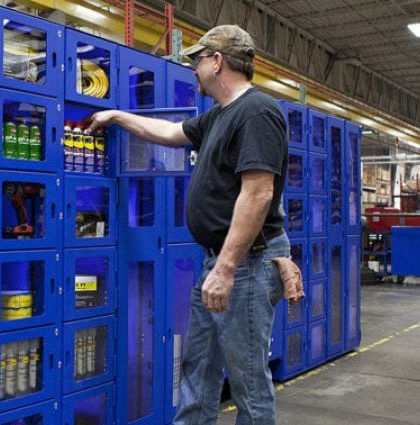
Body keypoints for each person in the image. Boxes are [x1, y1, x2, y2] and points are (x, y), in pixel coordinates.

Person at [86, 25, 289, 425]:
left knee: (249, 383)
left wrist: (226, 269)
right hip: (219, 263)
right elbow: (168, 133)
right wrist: (117, 116)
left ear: (217, 62)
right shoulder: (218, 117)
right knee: (198, 370)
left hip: (245, 265)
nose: (193, 69)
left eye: (197, 60)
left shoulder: (257, 112)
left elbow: (258, 194)